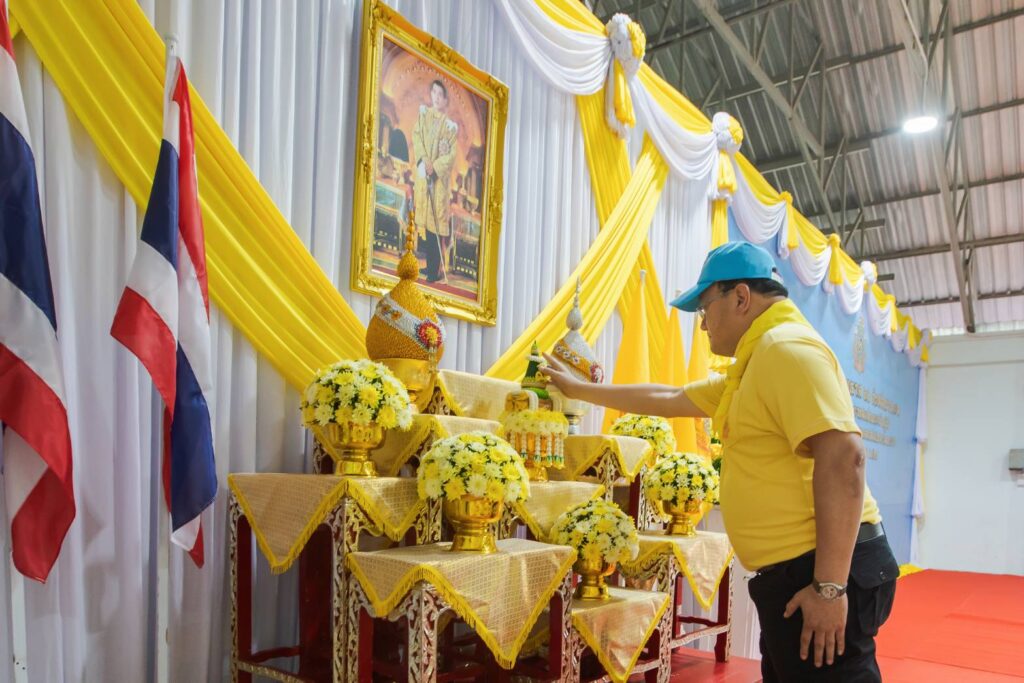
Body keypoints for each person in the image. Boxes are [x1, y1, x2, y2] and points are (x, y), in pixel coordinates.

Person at [543, 241, 899, 682]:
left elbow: (845, 458)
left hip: (819, 571)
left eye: (704, 308)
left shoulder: (786, 349)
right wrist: (579, 390)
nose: (703, 324)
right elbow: (670, 396)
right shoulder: (757, 360)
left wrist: (829, 587)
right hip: (801, 572)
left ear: (741, 297)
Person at [412, 79, 458, 283]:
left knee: (435, 225)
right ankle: (429, 266)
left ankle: (434, 269)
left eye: (441, 94)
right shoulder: (424, 116)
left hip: (438, 182)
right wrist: (424, 160)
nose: (437, 97)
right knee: (426, 220)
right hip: (425, 175)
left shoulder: (449, 127)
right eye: (434, 93)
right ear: (431, 94)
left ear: (445, 99)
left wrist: (435, 167)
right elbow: (417, 137)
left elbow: (451, 155)